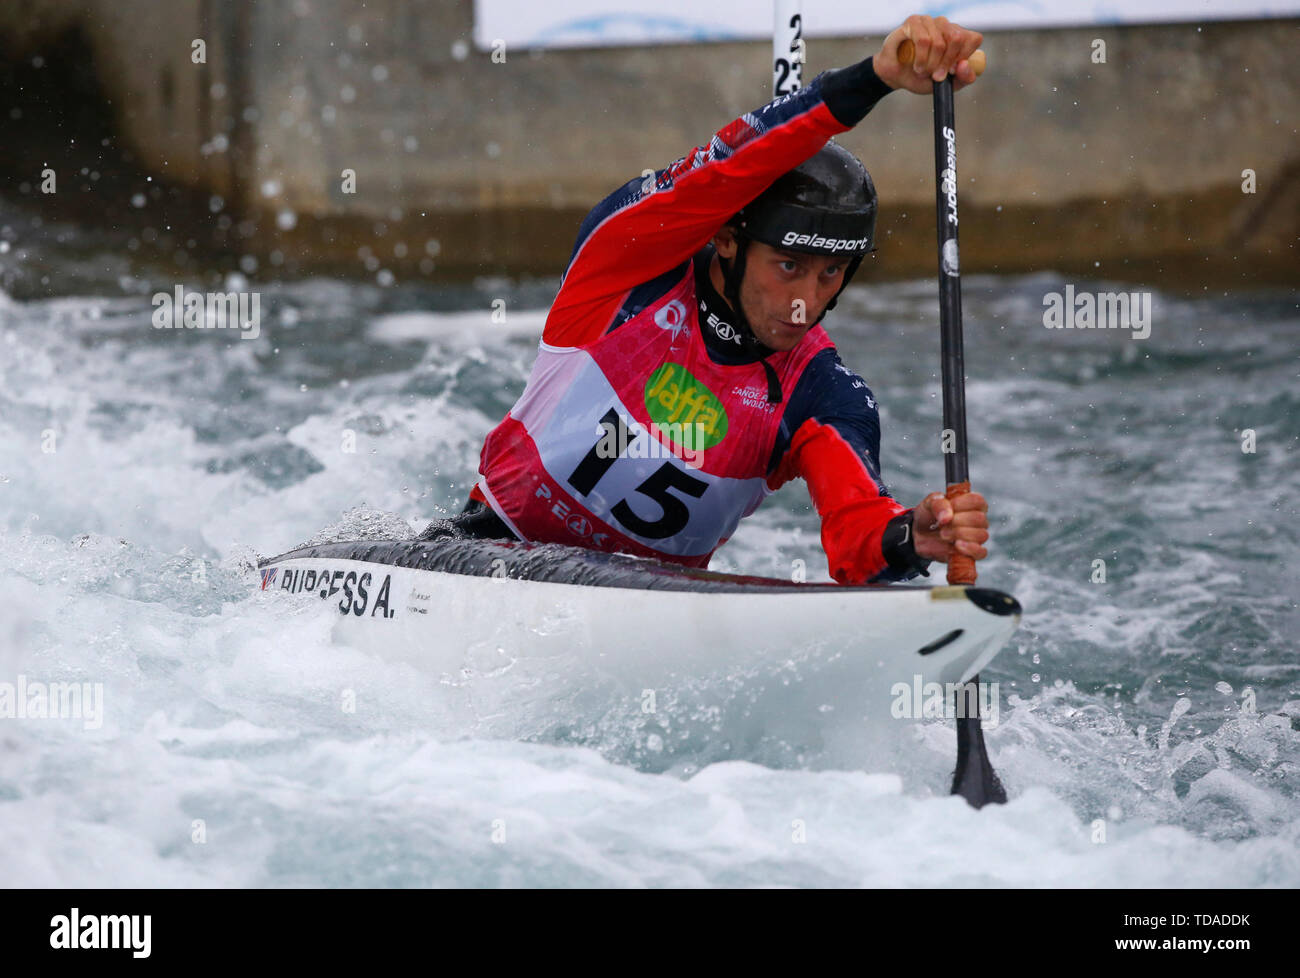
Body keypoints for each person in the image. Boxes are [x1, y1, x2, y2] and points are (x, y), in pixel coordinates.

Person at [421, 14, 991, 585]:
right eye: (788, 266)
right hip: (486, 555)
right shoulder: (627, 266)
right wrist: (875, 78)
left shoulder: (819, 390)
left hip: (645, 611)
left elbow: (857, 530)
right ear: (726, 239)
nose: (804, 304)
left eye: (831, 273)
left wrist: (907, 538)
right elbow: (723, 170)